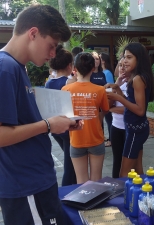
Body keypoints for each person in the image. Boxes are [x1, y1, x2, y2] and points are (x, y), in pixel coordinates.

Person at [0, 4, 82, 225]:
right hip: (25, 188)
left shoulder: (17, 68)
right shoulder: (5, 68)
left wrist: (60, 123)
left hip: (35, 182)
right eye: (52, 45)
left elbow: (21, 121)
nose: (53, 54)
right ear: (33, 33)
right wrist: (48, 125)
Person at [106, 42, 154, 177]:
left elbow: (140, 110)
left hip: (135, 130)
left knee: (124, 173)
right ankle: (145, 194)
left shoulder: (138, 79)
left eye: (129, 57)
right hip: (135, 128)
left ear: (139, 59)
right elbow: (130, 101)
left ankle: (125, 197)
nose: (124, 61)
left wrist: (118, 98)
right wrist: (116, 88)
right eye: (124, 57)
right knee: (138, 170)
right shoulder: (134, 77)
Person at [62, 52, 109, 183]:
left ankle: (84, 204)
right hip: (96, 138)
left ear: (74, 69)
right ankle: (98, 204)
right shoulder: (100, 90)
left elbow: (64, 115)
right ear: (93, 68)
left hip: (76, 140)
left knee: (81, 181)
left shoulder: (65, 89)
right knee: (96, 180)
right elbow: (105, 110)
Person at [45, 44, 77, 186]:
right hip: (68, 128)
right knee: (71, 166)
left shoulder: (49, 82)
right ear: (70, 65)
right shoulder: (69, 82)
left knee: (70, 161)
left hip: (55, 128)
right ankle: (66, 194)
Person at [110, 58, 129, 178]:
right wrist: (117, 84)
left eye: (125, 65)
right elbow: (109, 104)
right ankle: (116, 186)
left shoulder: (133, 83)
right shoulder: (118, 82)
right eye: (120, 65)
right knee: (117, 160)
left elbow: (129, 108)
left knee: (128, 161)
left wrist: (112, 109)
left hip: (128, 127)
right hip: (115, 126)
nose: (122, 67)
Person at [100, 52, 115, 147]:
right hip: (103, 100)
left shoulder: (107, 73)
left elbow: (110, 88)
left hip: (108, 100)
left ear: (103, 61)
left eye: (99, 58)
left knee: (109, 121)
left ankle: (111, 140)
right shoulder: (102, 72)